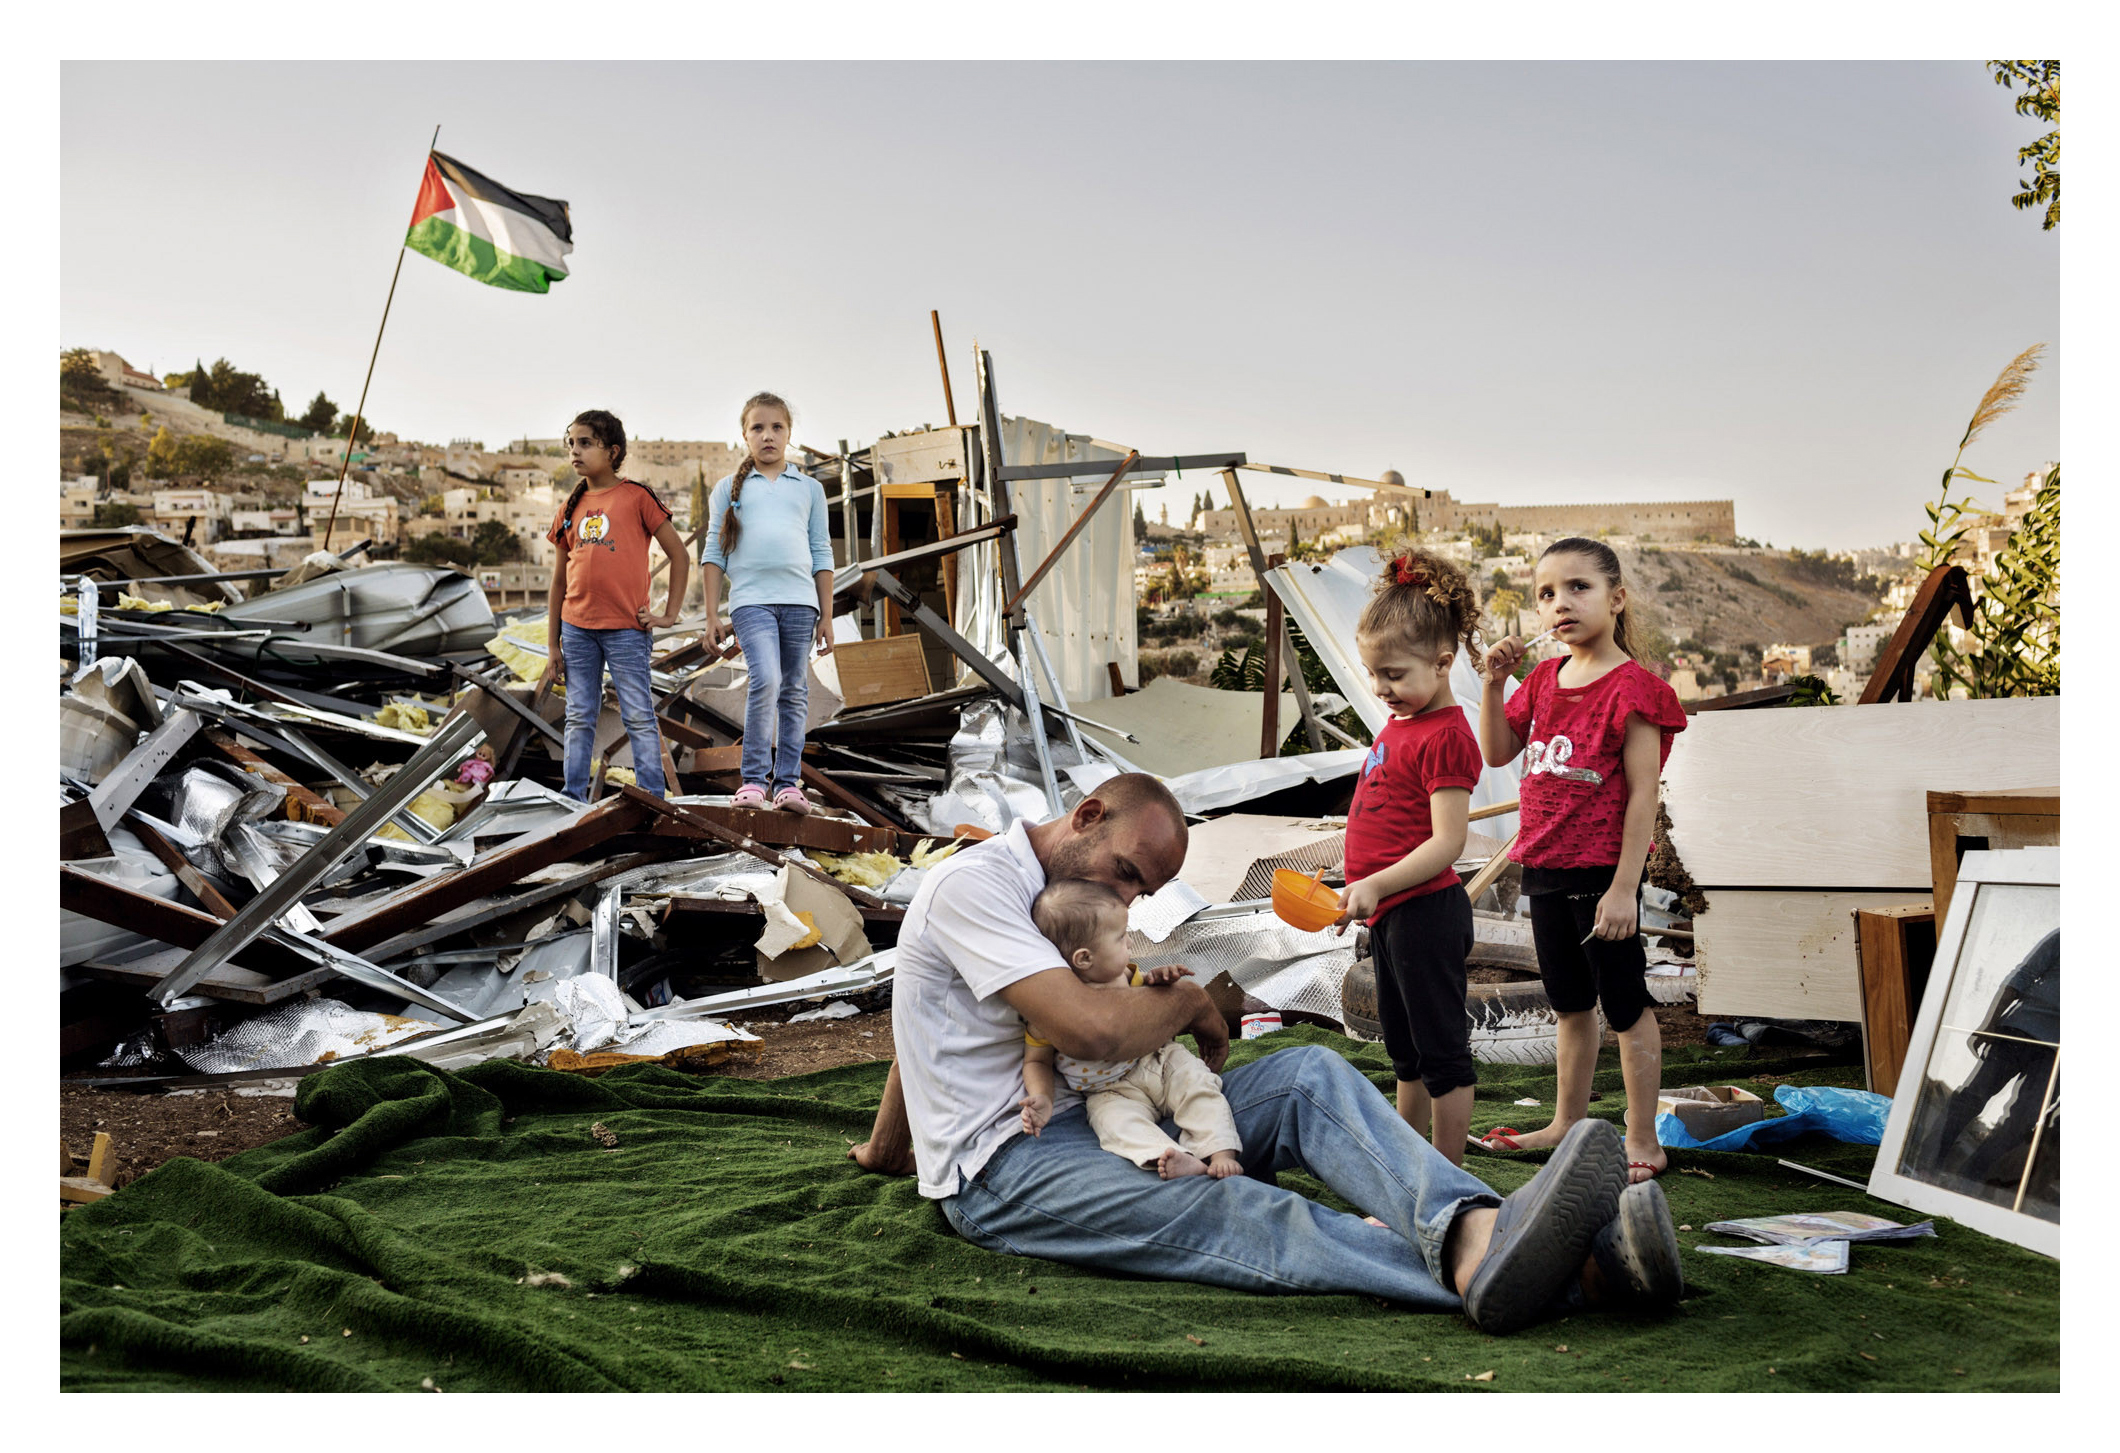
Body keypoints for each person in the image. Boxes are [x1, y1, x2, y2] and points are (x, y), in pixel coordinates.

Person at [852, 773, 1684, 1332]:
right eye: (1126, 873)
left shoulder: (1061, 890)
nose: (1126, 897)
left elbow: (917, 1009)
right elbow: (1093, 1031)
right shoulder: (975, 886)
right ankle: (1564, 1271)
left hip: (1120, 1106)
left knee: (1308, 1076)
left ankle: (1476, 1227)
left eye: (1140, 887)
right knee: (1227, 1207)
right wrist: (1183, 1002)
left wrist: (889, 1149)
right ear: (1085, 816)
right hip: (1014, 1164)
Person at [1476, 537, 1688, 1183]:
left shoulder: (1637, 690)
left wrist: (1625, 888)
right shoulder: (1541, 679)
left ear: (1616, 599)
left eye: (1578, 587)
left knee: (1624, 1003)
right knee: (1569, 1003)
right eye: (1546, 593)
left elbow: (1643, 796)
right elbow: (1494, 751)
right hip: (1544, 869)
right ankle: (1566, 1120)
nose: (1560, 603)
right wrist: (1491, 682)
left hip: (1603, 877)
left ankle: (1643, 1137)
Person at [1335, 550, 1487, 1166]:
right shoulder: (1399, 723)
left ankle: (1445, 1177)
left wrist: (1374, 884)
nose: (1380, 689)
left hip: (1425, 913)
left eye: (1394, 675)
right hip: (1391, 916)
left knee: (1441, 1054)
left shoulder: (1448, 733)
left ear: (1443, 662)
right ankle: (1408, 1166)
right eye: (1374, 675)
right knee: (1405, 1051)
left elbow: (1448, 843)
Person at [1019, 879, 1243, 1180]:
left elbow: (1154, 1005)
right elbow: (1037, 1061)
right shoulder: (1051, 1010)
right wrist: (1042, 1096)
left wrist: (1162, 980)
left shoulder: (1127, 975)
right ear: (1085, 958)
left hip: (1156, 1062)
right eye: (1121, 937)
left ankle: (1219, 1150)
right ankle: (1175, 1157)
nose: (1130, 943)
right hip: (1108, 1091)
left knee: (1197, 1083)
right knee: (1114, 1126)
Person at [540, 409, 689, 802]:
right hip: (576, 630)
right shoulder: (569, 508)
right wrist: (553, 644)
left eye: (586, 442)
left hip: (626, 630)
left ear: (612, 451)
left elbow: (680, 555)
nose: (575, 450)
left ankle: (652, 799)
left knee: (638, 716)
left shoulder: (637, 497)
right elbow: (559, 581)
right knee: (579, 716)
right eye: (571, 442)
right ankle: (572, 800)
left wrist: (668, 615)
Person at [698, 391, 834, 814]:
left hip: (800, 603)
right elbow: (713, 554)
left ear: (790, 434)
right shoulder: (728, 490)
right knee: (767, 680)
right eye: (758, 427)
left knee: (794, 689)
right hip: (751, 602)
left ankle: (788, 785)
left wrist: (827, 614)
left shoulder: (809, 489)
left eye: (777, 427)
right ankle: (754, 782)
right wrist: (710, 616)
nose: (768, 435)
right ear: (745, 435)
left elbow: (822, 552)